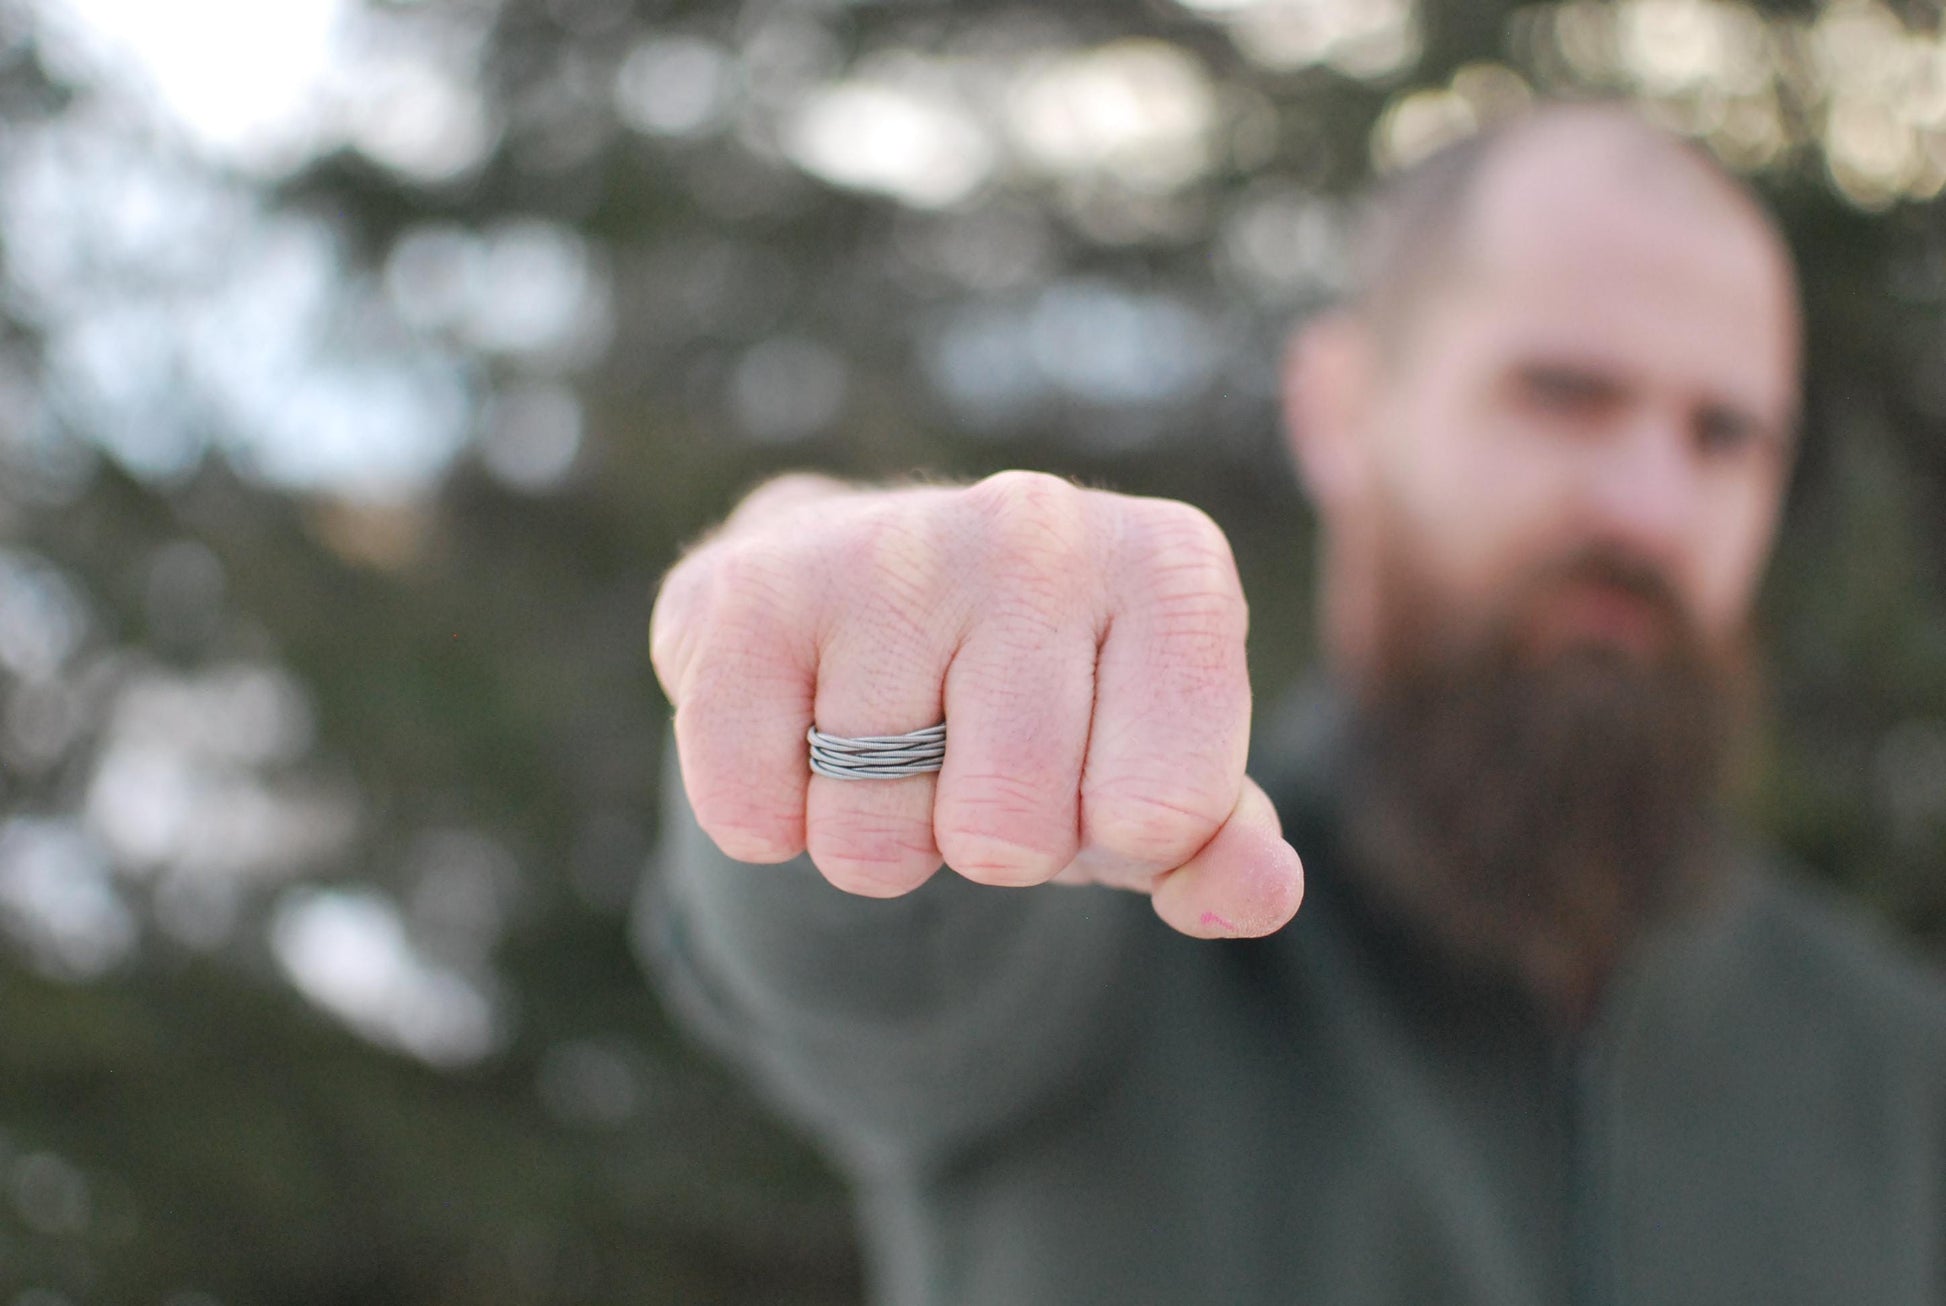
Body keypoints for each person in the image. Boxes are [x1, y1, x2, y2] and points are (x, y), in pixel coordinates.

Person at [636, 102, 1946, 1305]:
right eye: (1562, 394)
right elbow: (856, 944)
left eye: (1723, 435)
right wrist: (835, 613)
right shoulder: (1092, 915)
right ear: (1338, 408)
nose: (1648, 508)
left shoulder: (1896, 1070)